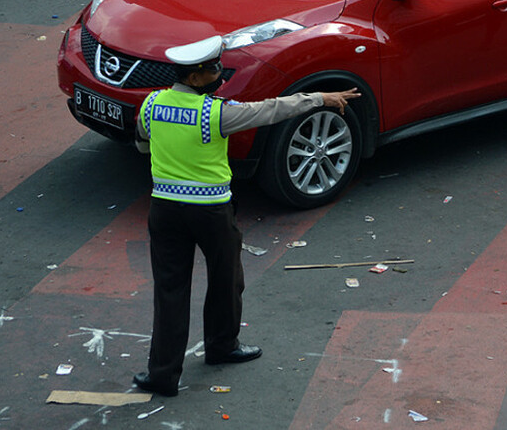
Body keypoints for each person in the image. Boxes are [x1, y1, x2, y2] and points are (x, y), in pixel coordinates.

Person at [132, 35, 360, 396]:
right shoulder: (215, 113)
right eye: (213, 70)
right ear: (194, 78)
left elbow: (143, 142)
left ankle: (162, 375)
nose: (219, 75)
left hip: (164, 210)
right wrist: (320, 98)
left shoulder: (152, 104)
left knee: (170, 291)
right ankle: (222, 346)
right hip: (211, 212)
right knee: (225, 280)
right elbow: (271, 109)